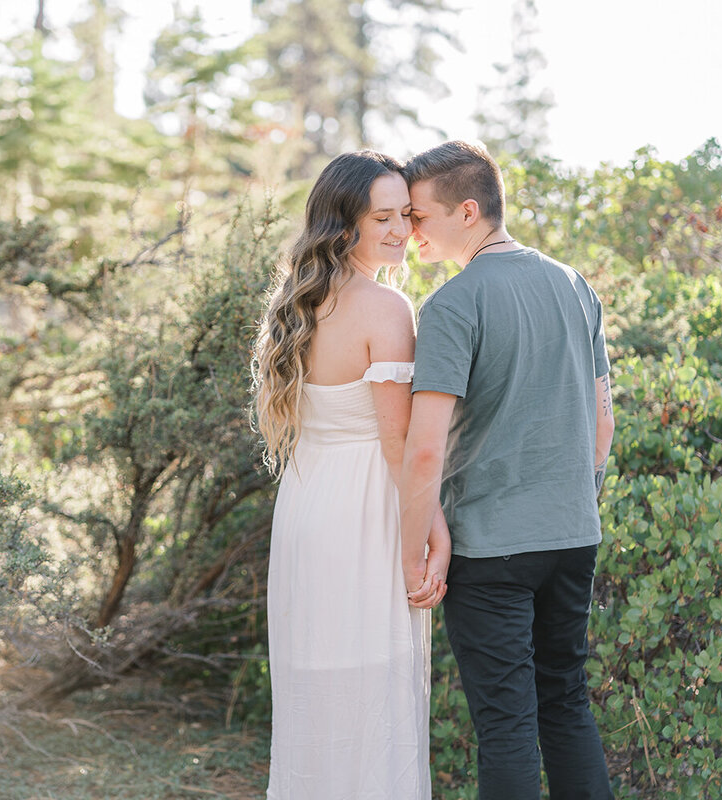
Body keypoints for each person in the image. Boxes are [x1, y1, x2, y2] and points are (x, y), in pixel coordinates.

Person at [397, 140, 615, 800]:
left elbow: (426, 449)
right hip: (573, 534)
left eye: (417, 216)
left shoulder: (452, 305)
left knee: (507, 728)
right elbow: (603, 424)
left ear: (467, 212)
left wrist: (414, 555)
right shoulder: (575, 285)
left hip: (490, 548)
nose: (410, 231)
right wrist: (575, 497)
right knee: (567, 706)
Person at [252, 150, 451, 799]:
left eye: (407, 216)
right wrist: (429, 537)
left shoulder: (297, 300)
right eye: (384, 218)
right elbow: (400, 443)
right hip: (367, 513)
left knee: (316, 685)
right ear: (345, 225)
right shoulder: (387, 309)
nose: (401, 231)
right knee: (375, 686)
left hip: (307, 507)